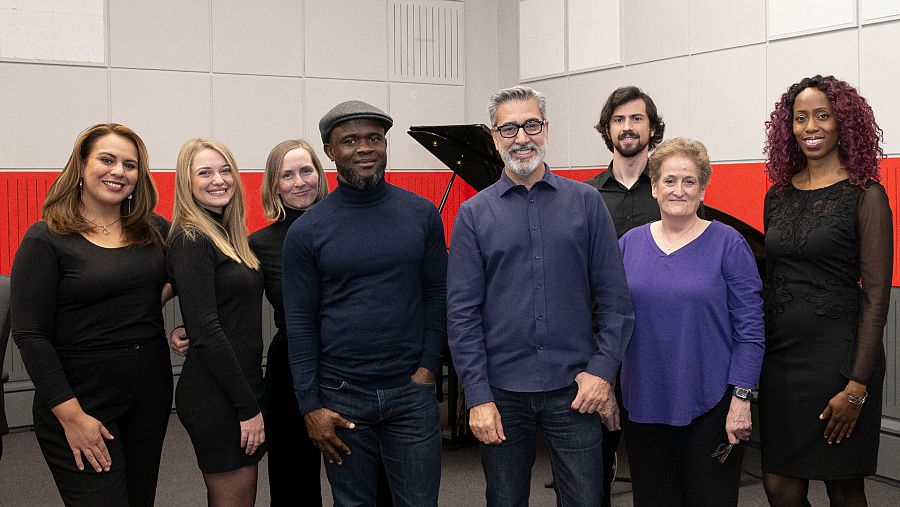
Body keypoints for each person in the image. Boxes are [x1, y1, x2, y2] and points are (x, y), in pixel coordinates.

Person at [447, 86, 634, 506]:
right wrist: (477, 397)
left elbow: (616, 303)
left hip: (576, 390)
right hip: (501, 393)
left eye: (531, 124)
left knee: (587, 500)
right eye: (509, 128)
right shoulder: (473, 215)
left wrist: (602, 372)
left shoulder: (586, 203)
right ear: (495, 137)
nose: (522, 136)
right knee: (506, 500)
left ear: (546, 129)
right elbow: (461, 316)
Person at [283, 100, 446, 506]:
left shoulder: (422, 215)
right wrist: (310, 406)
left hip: (411, 393)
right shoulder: (307, 232)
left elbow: (437, 295)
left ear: (386, 145)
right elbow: (300, 323)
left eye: (374, 138)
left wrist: (428, 369)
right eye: (350, 140)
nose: (364, 148)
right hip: (341, 396)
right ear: (330, 151)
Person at [10, 123, 173, 506]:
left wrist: (173, 317)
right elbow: (30, 335)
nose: (119, 171)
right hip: (80, 400)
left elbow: (185, 278)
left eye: (130, 165)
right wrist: (71, 416)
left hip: (149, 393)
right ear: (81, 167)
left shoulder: (154, 229)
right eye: (107, 159)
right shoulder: (45, 238)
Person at [760, 75, 892, 506]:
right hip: (782, 362)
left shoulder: (866, 195)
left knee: (844, 486)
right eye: (800, 118)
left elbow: (875, 296)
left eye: (823, 116)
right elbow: (773, 279)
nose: (810, 127)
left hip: (839, 362)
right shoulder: (777, 195)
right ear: (789, 127)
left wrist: (857, 385)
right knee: (780, 485)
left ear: (843, 123)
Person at [617, 137, 765, 506]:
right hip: (644, 403)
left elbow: (750, 329)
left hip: (710, 405)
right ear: (654, 186)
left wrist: (742, 397)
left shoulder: (728, 244)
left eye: (689, 181)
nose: (678, 190)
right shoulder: (629, 244)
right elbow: (612, 321)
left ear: (703, 189)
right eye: (669, 180)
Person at [167, 138, 266, 506]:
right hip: (218, 396)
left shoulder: (225, 234)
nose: (218, 179)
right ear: (186, 182)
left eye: (225, 170)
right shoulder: (192, 237)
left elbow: (208, 310)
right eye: (204, 172)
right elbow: (207, 330)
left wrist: (184, 328)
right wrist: (248, 407)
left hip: (237, 385)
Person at [583, 85, 665, 505]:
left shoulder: (670, 190)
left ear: (652, 128)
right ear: (607, 129)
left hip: (656, 342)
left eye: (636, 118)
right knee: (592, 463)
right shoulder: (585, 196)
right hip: (599, 344)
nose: (628, 127)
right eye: (618, 119)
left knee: (655, 462)